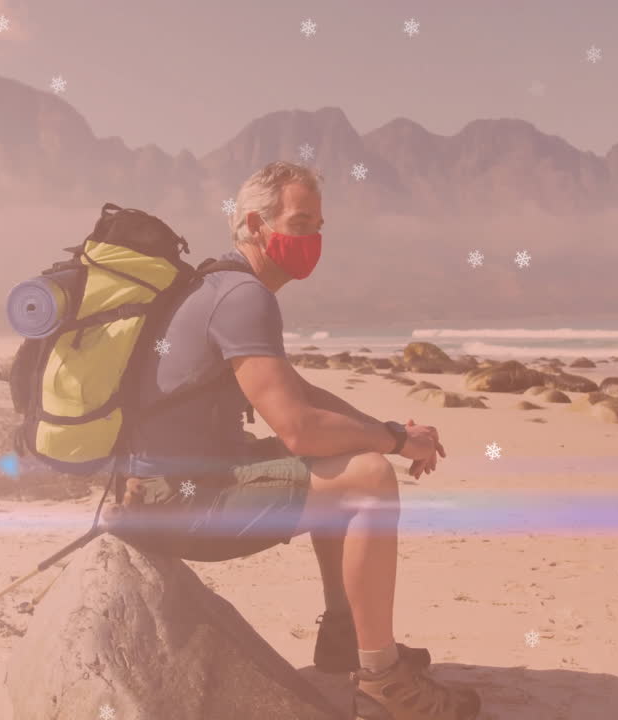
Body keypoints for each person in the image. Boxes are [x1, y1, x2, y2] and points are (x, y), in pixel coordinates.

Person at [117, 161, 481, 720]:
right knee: (369, 480)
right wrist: (390, 445)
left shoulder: (221, 286)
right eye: (301, 221)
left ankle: (344, 636)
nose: (313, 238)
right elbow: (296, 426)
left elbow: (300, 393)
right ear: (256, 224)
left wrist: (393, 432)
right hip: (174, 500)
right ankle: (383, 682)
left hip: (163, 487)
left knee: (349, 457)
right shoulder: (243, 297)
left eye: (318, 225)